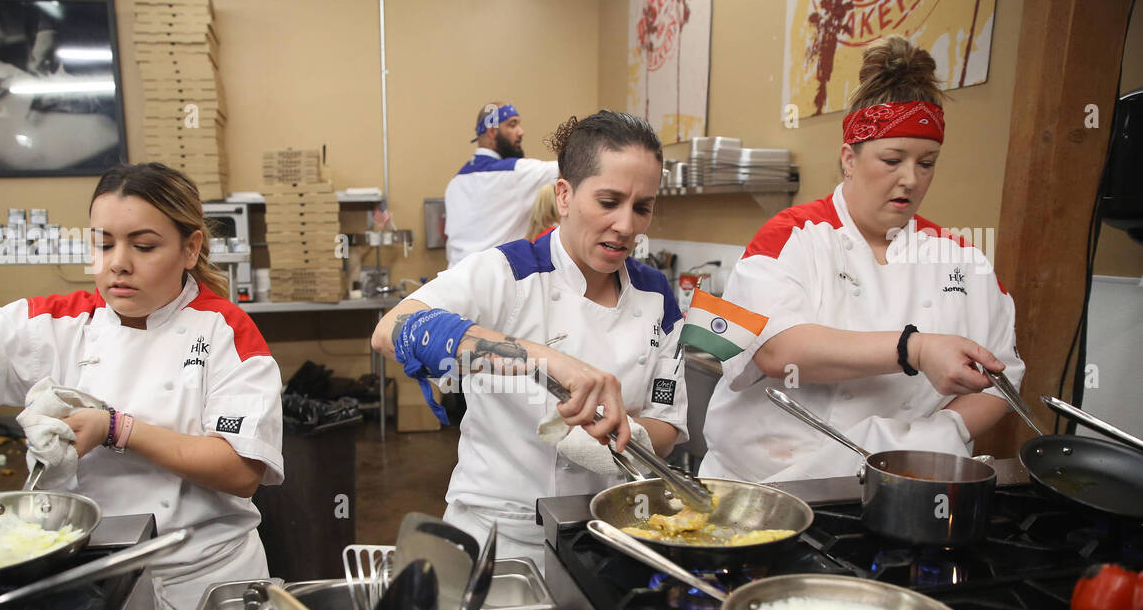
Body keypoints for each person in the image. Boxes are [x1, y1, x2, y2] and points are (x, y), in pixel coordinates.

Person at [0, 162, 284, 610]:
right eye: (102, 243)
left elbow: (241, 470)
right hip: (88, 579)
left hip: (205, 582)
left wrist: (116, 428)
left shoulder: (225, 332)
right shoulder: (60, 324)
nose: (118, 262)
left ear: (191, 248)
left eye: (143, 246)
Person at [696, 37, 1022, 483]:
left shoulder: (963, 260)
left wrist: (944, 431)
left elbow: (1005, 375)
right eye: (892, 159)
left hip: (902, 487)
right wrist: (916, 349)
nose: (910, 178)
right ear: (849, 158)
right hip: (765, 491)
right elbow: (776, 350)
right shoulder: (788, 238)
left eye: (927, 163)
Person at [374, 111, 688, 568]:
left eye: (642, 207)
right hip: (498, 535)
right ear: (564, 195)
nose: (626, 225)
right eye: (608, 201)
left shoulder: (656, 295)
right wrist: (544, 358)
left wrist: (623, 435)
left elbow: (666, 424)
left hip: (608, 534)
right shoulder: (506, 271)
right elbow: (393, 329)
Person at [443, 101, 561, 268]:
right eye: (512, 125)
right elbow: (573, 169)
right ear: (492, 132)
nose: (521, 132)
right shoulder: (516, 173)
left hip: (453, 281)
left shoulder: (454, 183)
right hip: (491, 284)